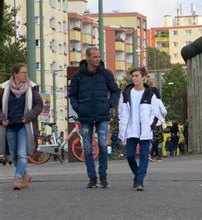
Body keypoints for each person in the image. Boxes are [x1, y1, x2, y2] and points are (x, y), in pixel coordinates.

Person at [68, 46, 120, 188]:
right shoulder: (78, 76)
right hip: (85, 116)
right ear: (88, 58)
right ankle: (92, 177)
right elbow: (72, 95)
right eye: (95, 57)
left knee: (103, 145)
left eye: (99, 56)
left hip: (102, 115)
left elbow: (115, 91)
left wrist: (109, 104)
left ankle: (103, 176)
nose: (98, 59)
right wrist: (78, 107)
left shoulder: (106, 74)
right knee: (87, 147)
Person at [118, 67, 166, 191]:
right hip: (131, 130)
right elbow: (121, 111)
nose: (134, 78)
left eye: (137, 76)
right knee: (129, 155)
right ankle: (138, 175)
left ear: (143, 77)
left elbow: (156, 113)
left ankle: (139, 181)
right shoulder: (126, 93)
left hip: (145, 131)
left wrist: (149, 125)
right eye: (133, 76)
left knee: (144, 156)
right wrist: (122, 125)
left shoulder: (150, 94)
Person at [0, 63, 43, 190]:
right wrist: (2, 119)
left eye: (26, 72)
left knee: (22, 155)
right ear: (15, 74)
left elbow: (39, 105)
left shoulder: (32, 88)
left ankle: (17, 178)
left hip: (24, 126)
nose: (25, 75)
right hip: (9, 126)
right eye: (23, 73)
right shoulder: (4, 88)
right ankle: (25, 175)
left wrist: (28, 117)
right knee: (13, 156)